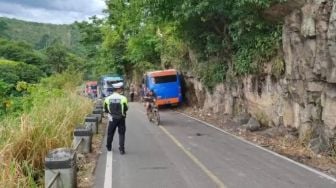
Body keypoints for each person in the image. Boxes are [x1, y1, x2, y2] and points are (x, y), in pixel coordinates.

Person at [104, 82, 128, 154]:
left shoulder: (107, 98)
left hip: (112, 118)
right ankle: (121, 149)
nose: (121, 90)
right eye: (120, 89)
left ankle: (109, 147)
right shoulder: (123, 98)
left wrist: (110, 113)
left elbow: (105, 109)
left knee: (110, 133)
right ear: (118, 89)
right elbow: (126, 108)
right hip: (121, 118)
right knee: (121, 133)